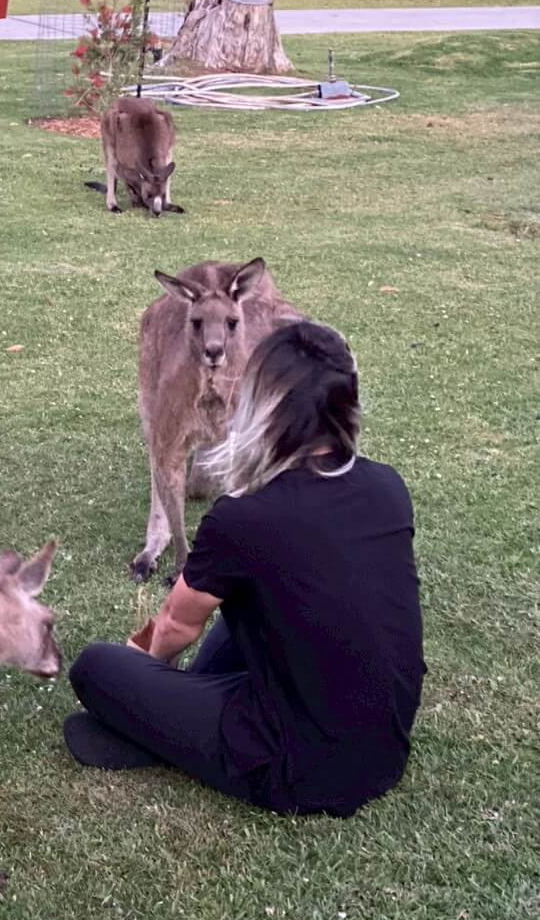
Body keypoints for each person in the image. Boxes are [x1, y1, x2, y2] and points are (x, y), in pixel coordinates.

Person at [65, 320, 425, 817]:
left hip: (294, 769)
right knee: (263, 597)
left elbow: (173, 624)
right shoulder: (388, 488)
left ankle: (150, 726)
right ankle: (163, 721)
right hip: (385, 746)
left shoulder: (246, 518)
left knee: (96, 667)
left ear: (265, 408)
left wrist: (134, 667)